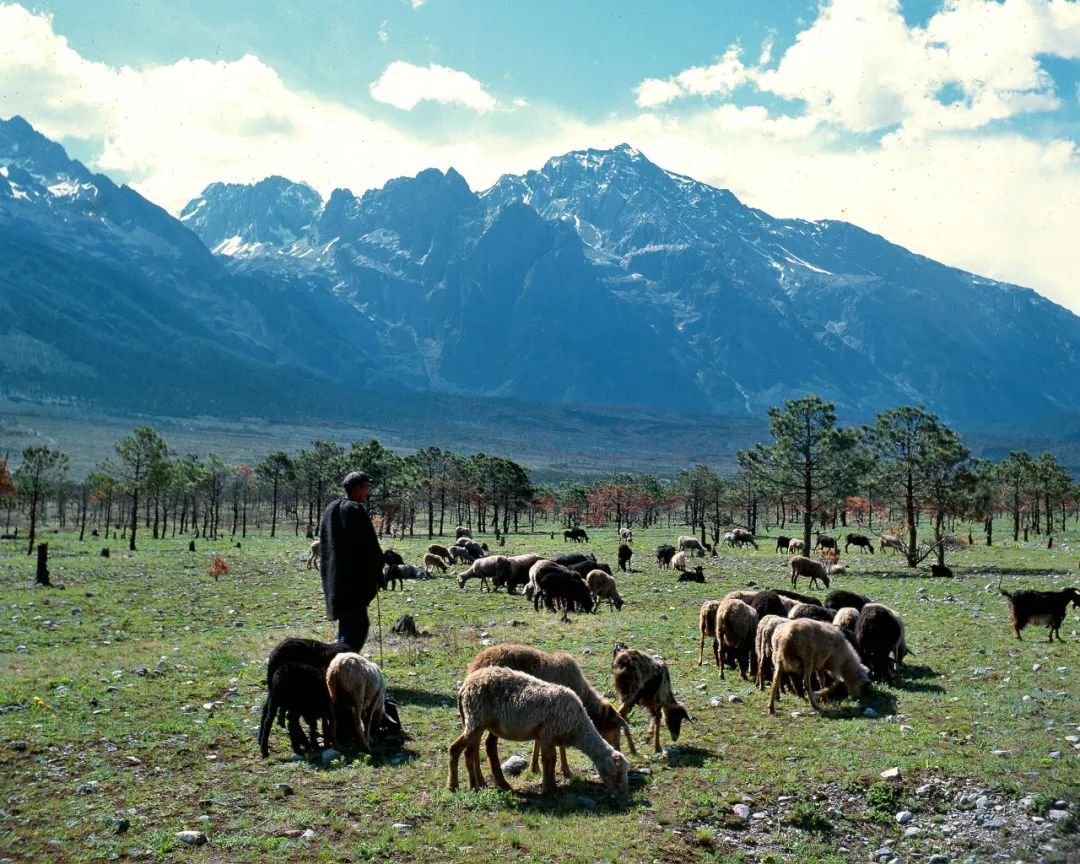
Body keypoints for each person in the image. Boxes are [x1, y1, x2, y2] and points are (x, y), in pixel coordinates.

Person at [319, 471, 383, 651]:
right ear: (356, 488)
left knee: (348, 625)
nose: (367, 492)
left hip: (335, 580)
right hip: (354, 582)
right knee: (357, 628)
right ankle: (340, 666)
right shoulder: (354, 510)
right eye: (366, 487)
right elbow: (368, 546)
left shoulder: (331, 508)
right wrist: (378, 569)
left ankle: (339, 664)